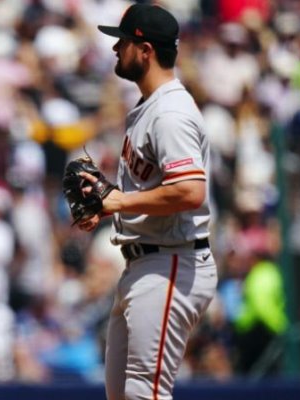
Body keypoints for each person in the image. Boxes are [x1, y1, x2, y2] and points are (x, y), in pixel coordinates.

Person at [77, 5, 218, 399]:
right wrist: (107, 201)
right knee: (122, 394)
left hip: (171, 261)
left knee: (145, 393)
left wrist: (118, 203)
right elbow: (152, 187)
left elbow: (191, 191)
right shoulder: (151, 107)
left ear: (145, 50)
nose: (115, 49)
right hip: (146, 261)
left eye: (122, 41)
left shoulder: (170, 112)